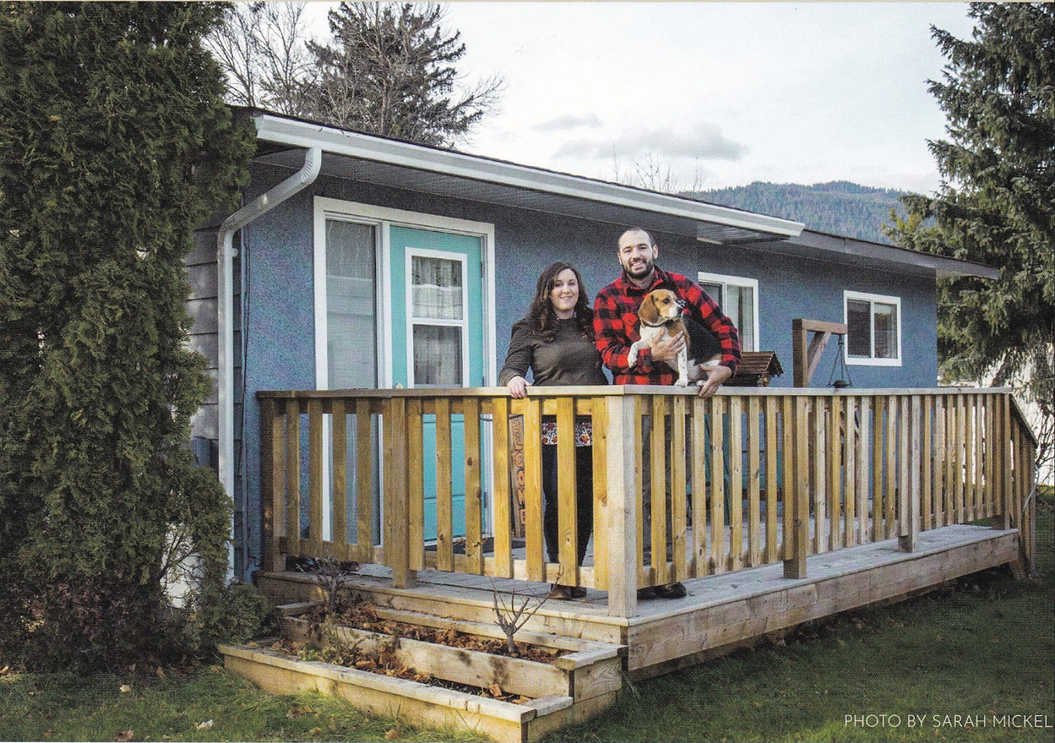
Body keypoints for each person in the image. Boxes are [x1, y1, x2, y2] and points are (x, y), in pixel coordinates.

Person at [594, 227, 742, 599]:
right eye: (628, 249)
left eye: (642, 247)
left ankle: (667, 568)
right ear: (620, 257)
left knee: (673, 487)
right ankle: (642, 570)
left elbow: (723, 327)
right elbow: (608, 354)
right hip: (635, 407)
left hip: (678, 407)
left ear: (654, 250)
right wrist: (649, 356)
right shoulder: (608, 297)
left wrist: (727, 367)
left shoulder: (683, 288)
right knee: (635, 488)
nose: (636, 254)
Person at [499, 261, 609, 599]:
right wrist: (515, 379)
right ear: (547, 290)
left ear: (580, 288)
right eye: (558, 284)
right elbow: (510, 369)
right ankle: (561, 575)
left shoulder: (593, 322)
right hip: (553, 428)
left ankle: (575, 570)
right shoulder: (529, 327)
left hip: (597, 424)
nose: (566, 290)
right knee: (559, 498)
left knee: (587, 499)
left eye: (572, 283)